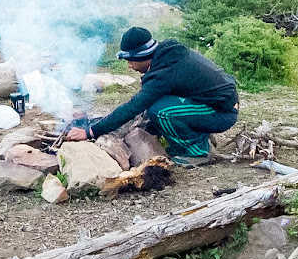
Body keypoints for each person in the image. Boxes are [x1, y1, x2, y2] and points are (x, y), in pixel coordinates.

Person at [65, 27, 239, 166]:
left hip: (222, 112)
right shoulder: (166, 55)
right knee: (157, 106)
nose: (130, 66)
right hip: (214, 104)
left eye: (131, 60)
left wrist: (90, 132)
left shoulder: (163, 73)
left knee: (160, 110)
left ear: (143, 56)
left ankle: (197, 152)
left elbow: (133, 107)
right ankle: (197, 134)